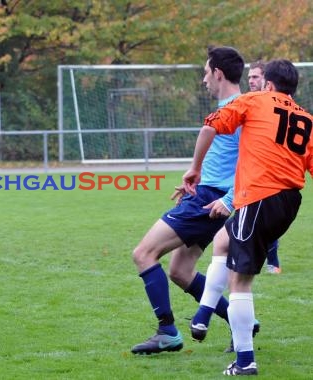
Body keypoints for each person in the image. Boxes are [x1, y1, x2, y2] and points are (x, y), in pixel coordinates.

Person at [183, 59, 313, 375]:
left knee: (239, 281)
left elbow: (210, 125)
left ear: (268, 85)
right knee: (223, 240)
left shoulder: (253, 101)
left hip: (258, 198)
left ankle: (244, 361)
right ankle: (203, 313)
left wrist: (195, 168)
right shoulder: (307, 119)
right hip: (288, 203)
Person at [130, 46, 247, 355]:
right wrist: (198, 179)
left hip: (211, 200)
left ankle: (167, 331)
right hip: (208, 196)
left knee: (143, 253)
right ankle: (241, 323)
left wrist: (223, 193)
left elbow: (246, 160)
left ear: (218, 73)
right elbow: (226, 156)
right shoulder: (235, 108)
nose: (203, 80)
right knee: (180, 271)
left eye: (206, 73)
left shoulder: (237, 109)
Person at [248, 61, 282, 274]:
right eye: (249, 77)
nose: (251, 81)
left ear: (267, 81)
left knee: (266, 216)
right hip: (246, 167)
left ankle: (273, 262)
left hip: (270, 170)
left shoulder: (277, 104)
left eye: (256, 77)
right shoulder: (249, 101)